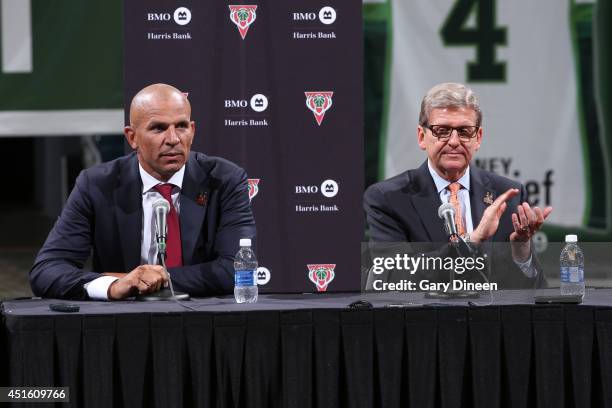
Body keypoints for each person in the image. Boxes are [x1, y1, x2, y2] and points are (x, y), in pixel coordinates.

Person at [30, 83, 256, 300]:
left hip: (202, 320)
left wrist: (146, 281)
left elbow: (235, 269)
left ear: (192, 130)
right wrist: (114, 286)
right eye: (158, 128)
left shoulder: (225, 180)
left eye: (181, 126)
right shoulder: (97, 185)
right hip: (123, 324)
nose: (173, 139)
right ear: (132, 137)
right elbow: (47, 271)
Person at [364, 82, 552, 285]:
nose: (454, 141)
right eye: (442, 130)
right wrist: (471, 241)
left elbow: (534, 290)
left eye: (464, 131)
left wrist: (521, 250)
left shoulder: (506, 194)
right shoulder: (388, 198)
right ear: (421, 137)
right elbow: (394, 277)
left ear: (478, 138)